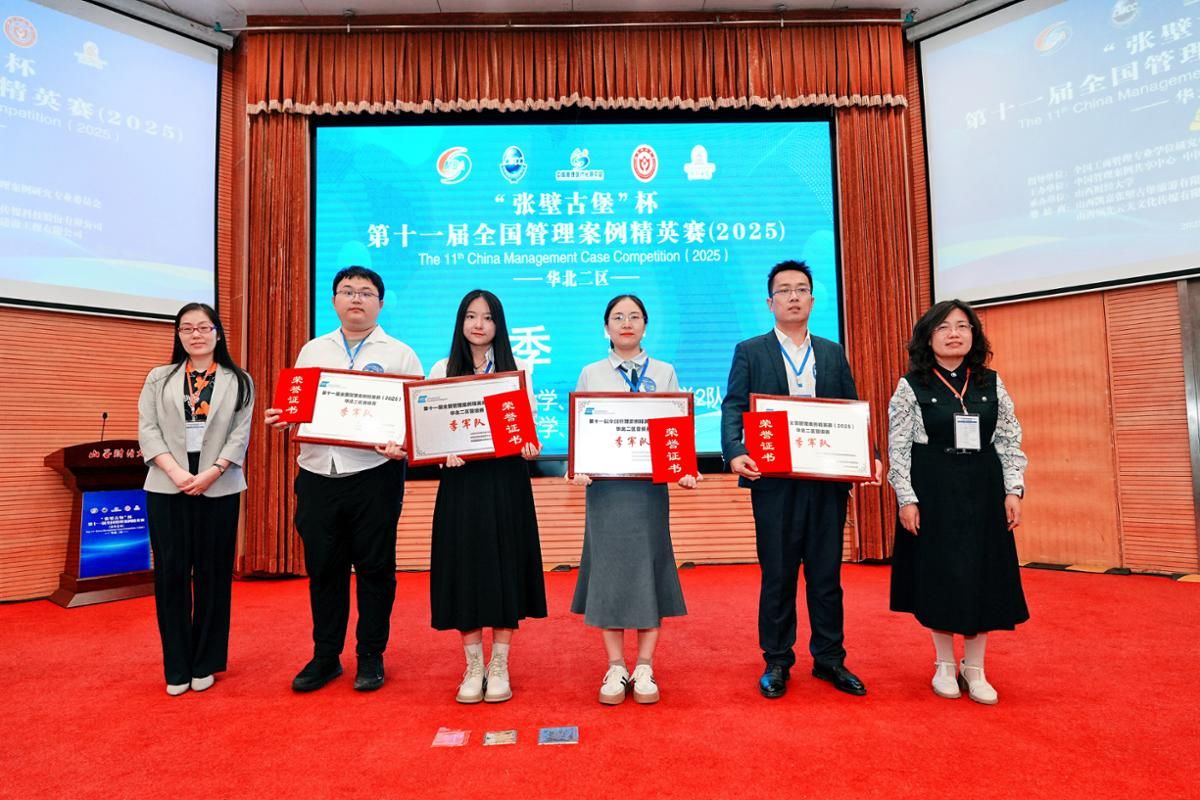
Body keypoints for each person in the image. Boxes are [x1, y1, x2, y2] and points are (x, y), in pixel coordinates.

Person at [720, 260, 881, 699]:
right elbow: (734, 406)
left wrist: (869, 457)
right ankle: (777, 659)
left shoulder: (831, 352)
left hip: (825, 483)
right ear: (769, 302)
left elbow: (850, 408)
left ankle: (830, 658)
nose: (793, 296)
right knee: (778, 574)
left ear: (812, 299)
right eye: (784, 290)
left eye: (801, 289)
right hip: (773, 482)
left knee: (827, 575)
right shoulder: (750, 350)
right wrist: (734, 451)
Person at [264, 266, 422, 693]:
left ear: (380, 303)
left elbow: (414, 417)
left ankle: (370, 654)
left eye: (366, 292)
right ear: (334, 300)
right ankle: (326, 656)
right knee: (323, 569)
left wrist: (403, 442)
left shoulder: (401, 354)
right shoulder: (313, 350)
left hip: (375, 474)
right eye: (347, 291)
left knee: (375, 569)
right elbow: (297, 406)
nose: (356, 298)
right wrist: (285, 418)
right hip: (318, 472)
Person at [887, 299, 1028, 704]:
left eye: (963, 326)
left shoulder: (991, 382)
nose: (954, 334)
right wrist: (906, 498)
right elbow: (899, 448)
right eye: (944, 327)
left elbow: (1008, 439)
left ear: (974, 335)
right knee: (941, 575)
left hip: (984, 488)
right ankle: (945, 664)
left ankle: (976, 668)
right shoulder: (911, 386)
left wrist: (1013, 489)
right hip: (934, 490)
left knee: (984, 574)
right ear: (928, 337)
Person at [568, 295, 698, 705]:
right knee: (608, 575)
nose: (626, 322)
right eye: (618, 317)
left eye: (635, 316)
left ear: (645, 325)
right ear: (606, 327)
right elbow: (581, 430)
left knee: (648, 570)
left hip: (649, 491)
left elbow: (676, 430)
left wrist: (684, 469)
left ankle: (644, 665)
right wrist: (578, 467)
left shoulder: (664, 371)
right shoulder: (591, 373)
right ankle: (615, 665)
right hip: (606, 492)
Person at [428, 289, 547, 704]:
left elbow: (528, 427)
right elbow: (430, 429)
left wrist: (531, 445)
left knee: (505, 567)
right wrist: (442, 451)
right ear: (460, 322)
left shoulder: (518, 370)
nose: (479, 325)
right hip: (461, 482)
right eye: (471, 316)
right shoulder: (442, 368)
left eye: (488, 317)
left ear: (499, 324)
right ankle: (473, 664)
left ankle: (500, 663)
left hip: (505, 480)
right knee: (465, 568)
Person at [138, 302, 255, 696]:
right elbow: (148, 430)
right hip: (167, 483)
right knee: (171, 575)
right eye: (187, 328)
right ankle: (176, 665)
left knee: (212, 575)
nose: (196, 335)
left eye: (204, 327)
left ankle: (205, 662)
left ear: (217, 333)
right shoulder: (159, 378)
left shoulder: (239, 380)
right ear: (178, 335)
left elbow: (240, 435)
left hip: (218, 484)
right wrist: (176, 472)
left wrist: (212, 472)